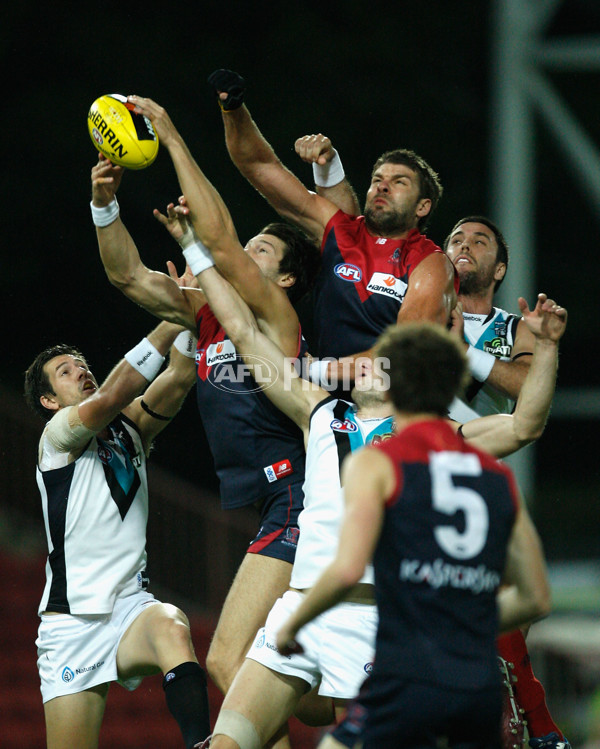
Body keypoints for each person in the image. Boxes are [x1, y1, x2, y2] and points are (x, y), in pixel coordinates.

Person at [184, 216, 565, 749]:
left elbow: (525, 425)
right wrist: (194, 249)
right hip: (299, 605)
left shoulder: (432, 437)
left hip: (373, 619)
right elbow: (244, 333)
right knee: (225, 742)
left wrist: (545, 349)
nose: (365, 362)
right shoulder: (315, 409)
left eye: (378, 358)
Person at [302, 140, 570, 749]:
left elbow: (527, 394)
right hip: (395, 450)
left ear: (500, 268)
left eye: (480, 242)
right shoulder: (413, 295)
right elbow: (350, 235)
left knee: (485, 598)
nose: (464, 248)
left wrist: (456, 347)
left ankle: (540, 726)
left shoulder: (509, 328)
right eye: (456, 240)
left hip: (469, 457)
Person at [90, 140, 317, 745]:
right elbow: (126, 275)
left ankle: (361, 698)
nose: (244, 257)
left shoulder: (275, 317)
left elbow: (218, 250)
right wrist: (104, 206)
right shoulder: (209, 317)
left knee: (227, 661)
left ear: (287, 277)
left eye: (260, 251)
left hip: (301, 496)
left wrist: (167, 132)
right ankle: (356, 697)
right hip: (277, 502)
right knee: (277, 682)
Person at [273, 321, 555, 749]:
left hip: (406, 673)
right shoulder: (495, 475)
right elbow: (536, 597)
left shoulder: (381, 462)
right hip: (477, 685)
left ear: (397, 384)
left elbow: (348, 569)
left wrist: (293, 622)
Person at [24, 320, 210, 749]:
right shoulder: (57, 440)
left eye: (82, 365)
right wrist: (168, 321)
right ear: (49, 400)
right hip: (70, 623)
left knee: (171, 625)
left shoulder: (131, 429)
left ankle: (203, 744)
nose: (80, 371)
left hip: (129, 607)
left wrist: (189, 318)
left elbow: (181, 375)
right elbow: (114, 394)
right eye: (65, 372)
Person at [206, 69, 458, 383]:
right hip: (327, 405)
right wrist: (234, 110)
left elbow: (407, 354)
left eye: (399, 182)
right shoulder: (340, 230)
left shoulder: (430, 262)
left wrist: (312, 371)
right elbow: (260, 167)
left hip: (392, 408)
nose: (382, 187)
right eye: (377, 180)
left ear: (423, 207)